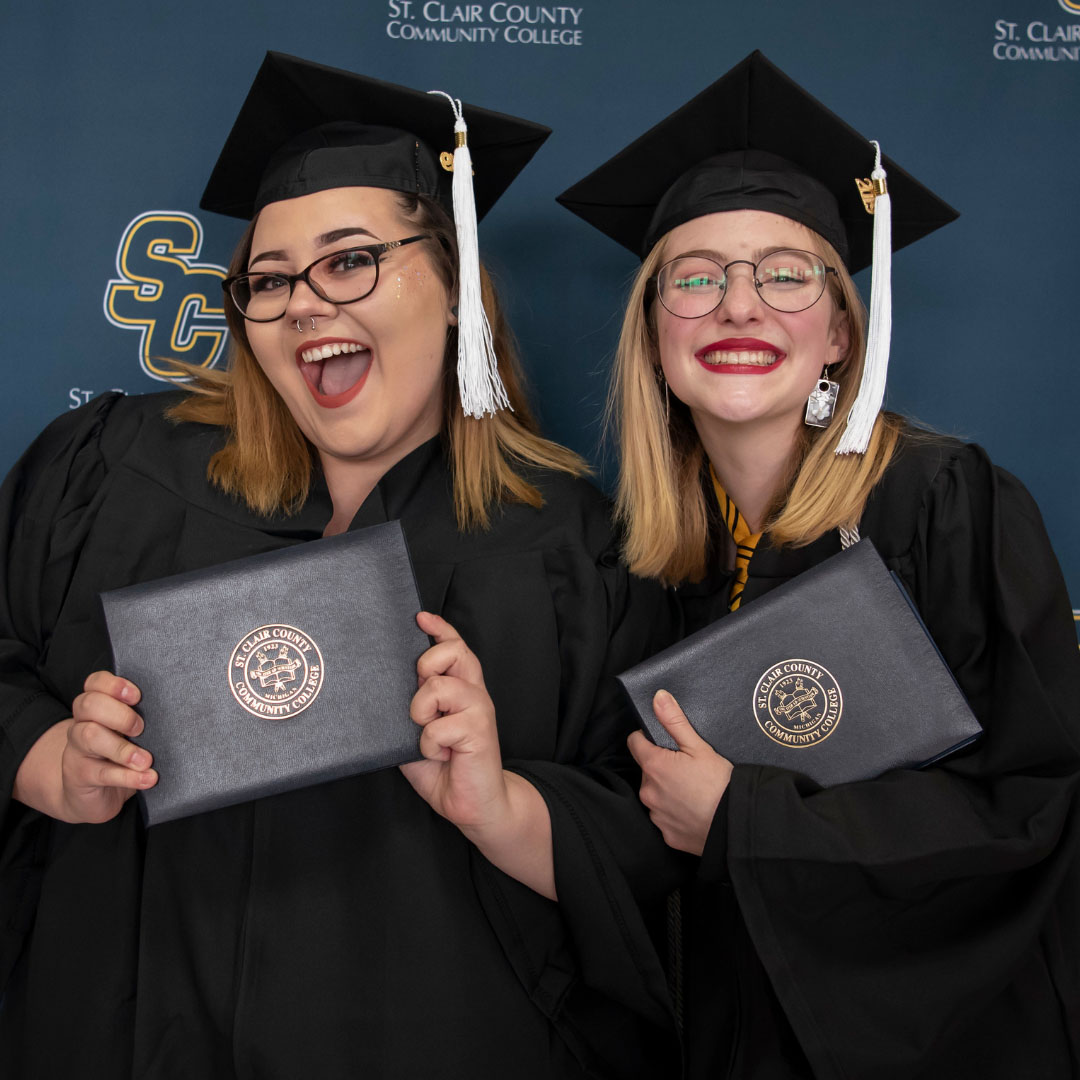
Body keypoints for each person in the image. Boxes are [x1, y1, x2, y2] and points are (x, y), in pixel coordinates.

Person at [0, 53, 678, 1078]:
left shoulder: (567, 545)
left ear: (453, 288)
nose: (306, 304)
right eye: (268, 281)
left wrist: (500, 806)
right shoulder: (114, 471)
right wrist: (51, 761)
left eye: (351, 260)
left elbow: (653, 844)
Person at [558, 51, 1080, 1079]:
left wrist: (744, 821)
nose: (738, 307)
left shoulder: (944, 504)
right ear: (653, 332)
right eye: (695, 278)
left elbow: (1038, 803)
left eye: (784, 275)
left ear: (841, 329)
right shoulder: (641, 564)